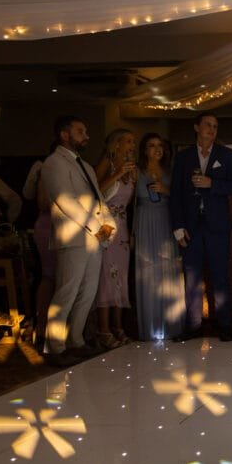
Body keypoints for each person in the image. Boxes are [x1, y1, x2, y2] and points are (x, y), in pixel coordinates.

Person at [40, 116, 116, 366]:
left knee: (88, 293)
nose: (86, 136)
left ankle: (76, 340)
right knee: (67, 291)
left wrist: (108, 224)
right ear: (64, 135)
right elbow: (65, 200)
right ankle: (54, 346)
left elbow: (98, 199)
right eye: (80, 131)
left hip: (93, 237)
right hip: (72, 237)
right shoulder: (54, 163)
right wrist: (96, 226)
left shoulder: (85, 165)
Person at [170, 112, 232, 342]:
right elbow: (176, 194)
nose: (212, 130)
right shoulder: (183, 157)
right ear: (196, 128)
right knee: (191, 277)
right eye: (208, 125)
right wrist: (178, 227)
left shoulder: (226, 155)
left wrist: (212, 184)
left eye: (215, 126)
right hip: (191, 226)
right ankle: (193, 326)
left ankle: (224, 324)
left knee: (220, 275)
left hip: (217, 224)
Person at [134, 133, 184, 341]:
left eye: (160, 146)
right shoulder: (136, 172)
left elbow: (182, 198)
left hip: (166, 220)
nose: (157, 149)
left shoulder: (170, 172)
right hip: (145, 221)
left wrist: (167, 190)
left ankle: (173, 325)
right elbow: (131, 204)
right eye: (152, 145)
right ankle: (152, 325)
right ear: (144, 150)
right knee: (148, 271)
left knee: (168, 270)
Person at [93, 129, 137, 348]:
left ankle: (118, 326)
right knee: (105, 277)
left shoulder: (132, 170)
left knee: (120, 278)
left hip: (122, 227)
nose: (132, 145)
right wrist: (118, 173)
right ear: (116, 144)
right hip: (104, 227)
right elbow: (94, 191)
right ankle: (103, 329)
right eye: (128, 141)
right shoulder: (107, 164)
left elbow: (130, 206)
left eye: (133, 142)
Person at [23, 145, 59, 345]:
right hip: (49, 225)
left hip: (61, 225)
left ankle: (53, 327)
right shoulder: (46, 167)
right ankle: (42, 327)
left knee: (58, 278)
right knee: (48, 276)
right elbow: (42, 202)